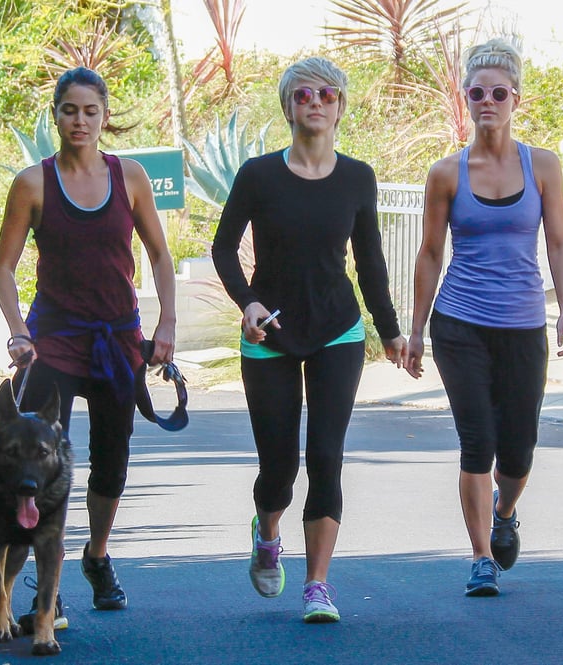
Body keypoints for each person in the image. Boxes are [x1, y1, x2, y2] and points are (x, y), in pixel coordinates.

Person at [211, 56, 407, 623]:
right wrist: (247, 301)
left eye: (326, 93)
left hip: (337, 328)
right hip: (270, 329)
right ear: (288, 107)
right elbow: (224, 248)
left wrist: (390, 330)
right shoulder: (258, 174)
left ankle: (317, 584)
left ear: (341, 105)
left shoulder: (358, 178)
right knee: (279, 467)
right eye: (303, 95)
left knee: (325, 456)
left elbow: (369, 262)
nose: (315, 102)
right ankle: (267, 530)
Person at [0, 66, 177, 626]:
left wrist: (167, 324)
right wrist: (18, 331)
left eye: (90, 111)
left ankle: (97, 556)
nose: (80, 120)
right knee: (44, 463)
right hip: (55, 341)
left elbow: (160, 256)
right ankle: (47, 586)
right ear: (56, 114)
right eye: (70, 110)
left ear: (104, 116)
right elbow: (3, 268)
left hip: (118, 338)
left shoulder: (132, 177)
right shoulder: (33, 183)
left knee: (112, 461)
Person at [405, 38, 563, 597]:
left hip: (524, 325)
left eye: (498, 93)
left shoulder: (543, 166)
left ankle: (505, 512)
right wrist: (415, 329)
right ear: (466, 99)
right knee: (477, 441)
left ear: (515, 100)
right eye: (477, 92)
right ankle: (481, 556)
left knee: (519, 448)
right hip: (461, 324)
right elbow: (430, 253)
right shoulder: (446, 173)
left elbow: (558, 243)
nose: (487, 101)